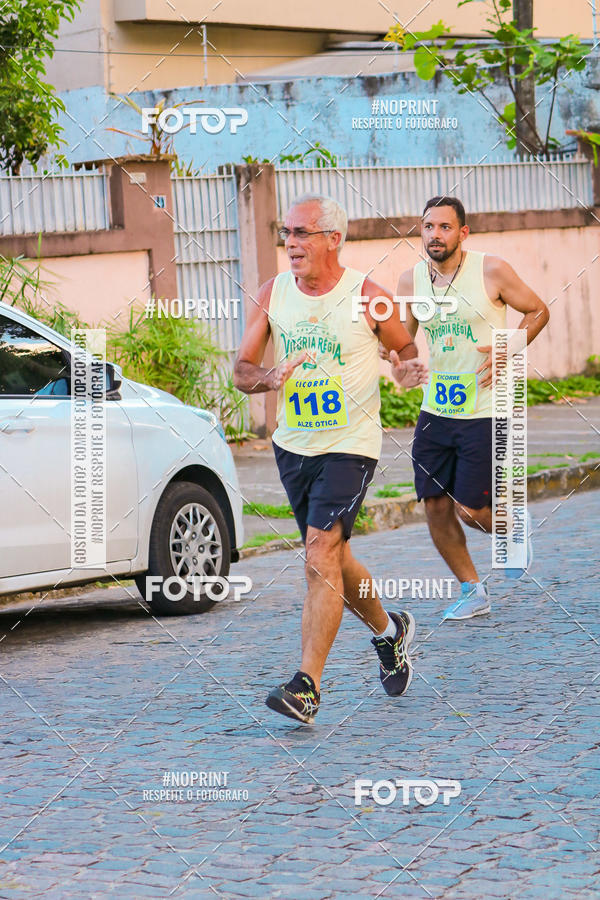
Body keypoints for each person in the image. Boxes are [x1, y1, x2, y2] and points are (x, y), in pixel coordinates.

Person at [233, 193, 428, 723]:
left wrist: (405, 369)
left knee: (318, 551)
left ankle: (306, 686)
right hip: (294, 447)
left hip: (351, 444)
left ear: (333, 240)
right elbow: (242, 370)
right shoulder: (273, 294)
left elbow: (406, 352)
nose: (291, 244)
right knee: (334, 557)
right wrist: (271, 377)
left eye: (302, 233)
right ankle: (390, 633)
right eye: (286, 233)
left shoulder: (367, 295)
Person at [394, 196, 549, 620]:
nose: (435, 235)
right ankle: (472, 589)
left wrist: (507, 347)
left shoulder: (491, 270)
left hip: (485, 408)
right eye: (428, 227)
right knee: (434, 504)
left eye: (445, 227)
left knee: (471, 508)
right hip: (435, 411)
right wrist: (399, 367)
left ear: (463, 233)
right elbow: (403, 344)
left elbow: (537, 311)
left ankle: (511, 525)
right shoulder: (410, 282)